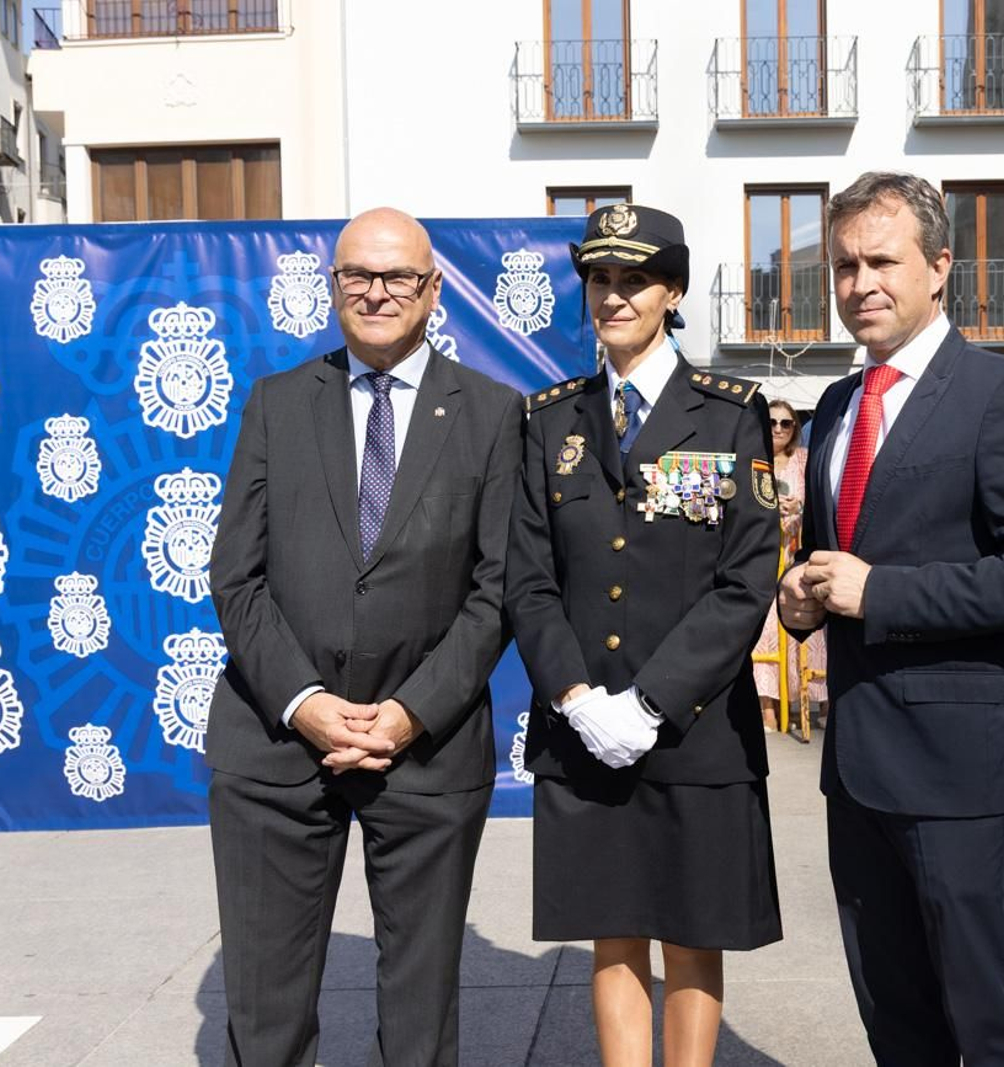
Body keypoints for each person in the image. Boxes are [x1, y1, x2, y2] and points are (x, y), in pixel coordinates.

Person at [777, 171, 1004, 1067]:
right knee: (895, 1018)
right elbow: (841, 559)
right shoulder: (838, 404)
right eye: (844, 266)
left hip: (962, 773)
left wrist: (881, 593)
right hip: (857, 767)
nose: (860, 283)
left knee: (985, 1018)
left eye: (882, 261)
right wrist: (801, 598)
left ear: (941, 266)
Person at [206, 208, 523, 1065]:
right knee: (265, 1013)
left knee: (421, 1019)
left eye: (397, 276)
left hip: (426, 748)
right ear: (333, 285)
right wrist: (304, 702)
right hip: (276, 743)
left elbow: (499, 588)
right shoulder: (276, 403)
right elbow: (235, 576)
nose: (376, 292)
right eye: (357, 274)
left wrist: (409, 713)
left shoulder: (494, 413)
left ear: (433, 289)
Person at [505, 203, 782, 1067]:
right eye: (601, 279)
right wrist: (578, 698)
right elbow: (528, 578)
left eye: (635, 279)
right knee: (613, 931)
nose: (614, 296)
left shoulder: (730, 413)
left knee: (693, 933)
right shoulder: (550, 418)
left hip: (695, 728)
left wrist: (651, 702)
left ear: (673, 292)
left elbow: (746, 577)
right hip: (584, 727)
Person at [752, 398, 827, 731]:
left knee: (810, 631)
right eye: (771, 422)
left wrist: (801, 507)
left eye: (786, 423)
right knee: (765, 633)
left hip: (797, 556)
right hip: (763, 557)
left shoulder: (805, 460)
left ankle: (818, 702)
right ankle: (766, 706)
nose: (779, 429)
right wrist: (771, 511)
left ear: (795, 427)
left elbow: (822, 501)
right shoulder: (753, 461)